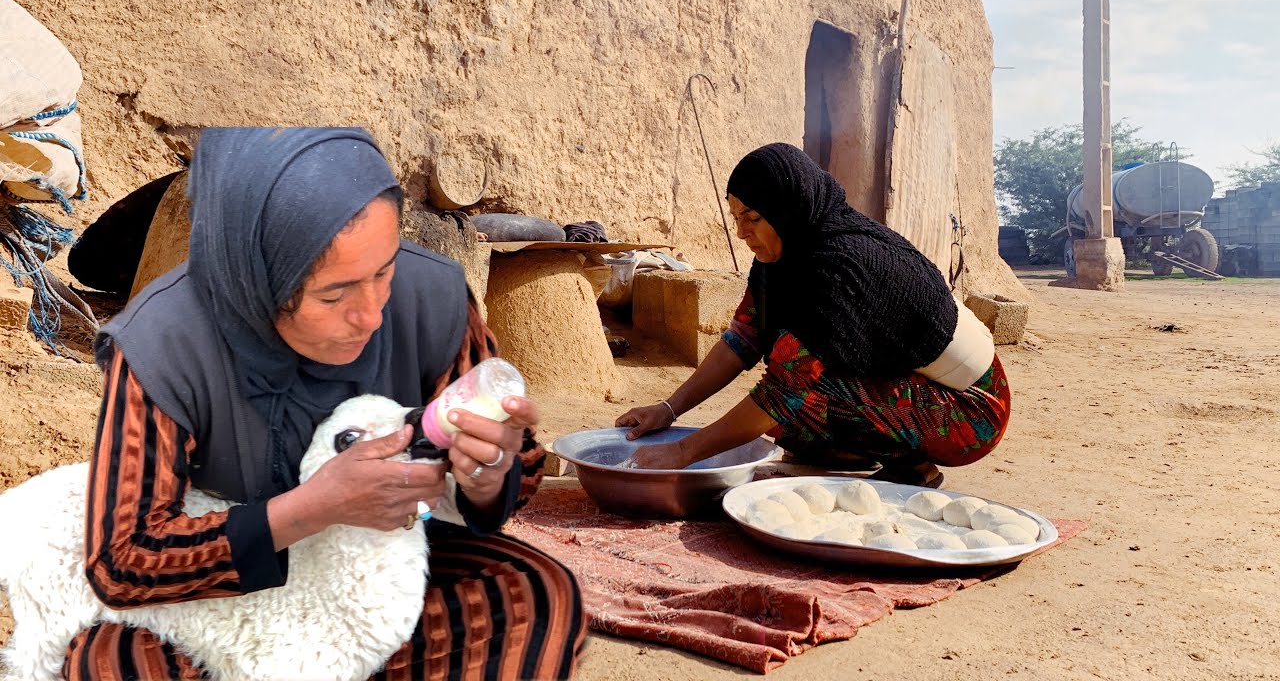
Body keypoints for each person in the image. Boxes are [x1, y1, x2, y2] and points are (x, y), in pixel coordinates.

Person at [68, 128, 585, 680]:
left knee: (532, 594)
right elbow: (123, 560)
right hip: (228, 589)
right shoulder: (163, 345)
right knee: (111, 657)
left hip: (376, 571)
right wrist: (310, 509)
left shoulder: (433, 299)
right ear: (256, 282)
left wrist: (487, 476)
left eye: (384, 271)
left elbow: (512, 474)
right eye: (333, 294)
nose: (371, 314)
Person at [617, 142, 1010, 488]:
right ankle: (857, 456)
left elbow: (784, 391)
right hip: (915, 388)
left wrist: (683, 452)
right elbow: (743, 339)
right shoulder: (782, 257)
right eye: (736, 217)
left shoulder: (840, 265)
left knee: (800, 400)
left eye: (752, 218)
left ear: (788, 210)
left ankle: (910, 464)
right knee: (785, 414)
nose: (741, 232)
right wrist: (668, 410)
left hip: (971, 412)